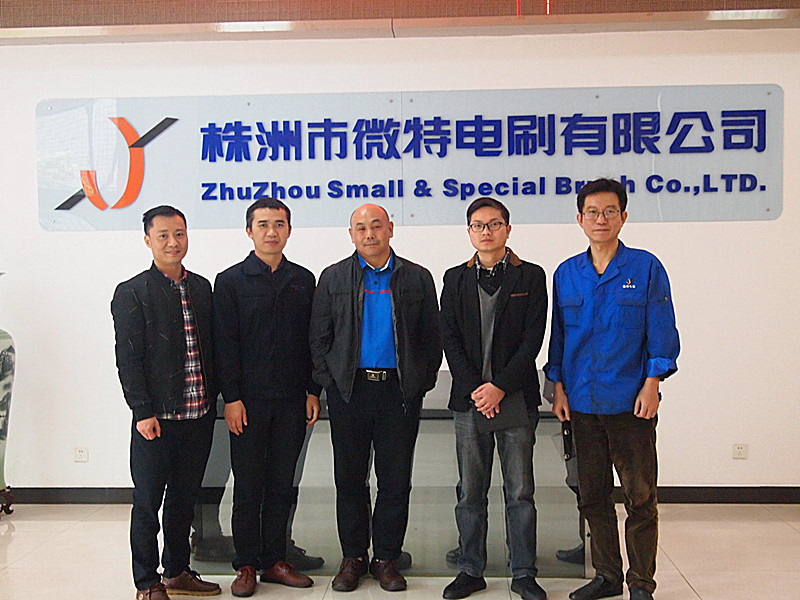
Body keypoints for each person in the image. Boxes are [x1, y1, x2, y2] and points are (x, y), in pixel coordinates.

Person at [545, 178, 680, 600]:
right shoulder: (567, 273)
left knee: (640, 497)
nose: (600, 219)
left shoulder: (645, 267)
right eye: (592, 212)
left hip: (631, 402)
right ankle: (607, 576)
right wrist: (558, 387)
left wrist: (653, 383)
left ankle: (641, 582)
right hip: (582, 402)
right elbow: (559, 337)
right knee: (592, 496)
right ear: (580, 219)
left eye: (609, 212)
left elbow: (662, 331)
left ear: (623, 217)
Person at [309, 203, 442, 592]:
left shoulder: (416, 277)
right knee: (350, 479)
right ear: (351, 234)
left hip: (398, 392)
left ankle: (386, 557)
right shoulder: (333, 277)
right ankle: (353, 557)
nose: (369, 234)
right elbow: (318, 338)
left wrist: (418, 382)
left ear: (391, 229)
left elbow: (431, 338)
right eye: (361, 228)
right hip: (350, 391)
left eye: (377, 226)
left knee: (395, 479)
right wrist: (331, 384)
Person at [439, 197, 548, 600]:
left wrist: (499, 386)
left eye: (495, 224)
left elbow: (532, 340)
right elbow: (449, 337)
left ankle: (524, 573)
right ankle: (471, 569)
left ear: (508, 229)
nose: (486, 231)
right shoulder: (454, 278)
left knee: (520, 491)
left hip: (515, 397)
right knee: (470, 491)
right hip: (470, 402)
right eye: (478, 225)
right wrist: (477, 388)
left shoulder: (530, 276)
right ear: (469, 231)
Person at [213, 198, 321, 597]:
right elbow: (224, 343)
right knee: (248, 486)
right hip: (247, 403)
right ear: (249, 231)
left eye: (279, 224)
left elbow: (314, 341)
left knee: (281, 484)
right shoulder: (230, 281)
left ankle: (275, 560)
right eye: (263, 224)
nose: (271, 231)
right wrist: (232, 397)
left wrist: (313, 390)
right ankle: (246, 564)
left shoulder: (303, 280)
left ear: (289, 230)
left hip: (292, 400)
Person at [112, 205, 221, 600]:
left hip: (199, 415)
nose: (173, 242)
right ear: (148, 240)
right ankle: (146, 582)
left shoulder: (202, 288)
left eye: (179, 234)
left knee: (183, 500)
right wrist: (141, 411)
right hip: (156, 419)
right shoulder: (132, 292)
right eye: (163, 236)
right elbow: (128, 358)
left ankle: (176, 571)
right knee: (147, 504)